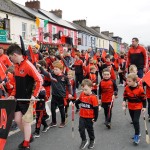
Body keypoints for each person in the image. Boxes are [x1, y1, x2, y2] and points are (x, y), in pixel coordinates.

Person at [7, 44, 43, 150]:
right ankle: (29, 136)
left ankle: (26, 143)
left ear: (14, 55)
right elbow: (17, 85)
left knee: (25, 122)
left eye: (10, 57)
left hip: (27, 100)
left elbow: (39, 80)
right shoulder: (16, 66)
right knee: (18, 120)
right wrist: (12, 95)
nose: (10, 59)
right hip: (18, 99)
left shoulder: (28, 65)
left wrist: (34, 95)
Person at [122, 73, 146, 145]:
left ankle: (136, 135)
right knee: (133, 120)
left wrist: (144, 107)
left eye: (129, 81)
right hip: (130, 106)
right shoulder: (127, 87)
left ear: (135, 81)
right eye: (127, 81)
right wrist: (124, 101)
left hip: (138, 106)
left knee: (135, 121)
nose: (127, 82)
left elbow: (144, 99)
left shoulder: (140, 89)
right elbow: (125, 96)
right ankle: (138, 131)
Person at [75, 79, 98, 149]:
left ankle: (92, 140)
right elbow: (79, 101)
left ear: (91, 88)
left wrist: (95, 118)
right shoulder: (82, 94)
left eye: (86, 89)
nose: (84, 91)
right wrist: (75, 103)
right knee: (81, 129)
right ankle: (84, 140)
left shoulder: (93, 97)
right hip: (82, 116)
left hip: (90, 117)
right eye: (83, 89)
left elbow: (96, 109)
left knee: (89, 129)